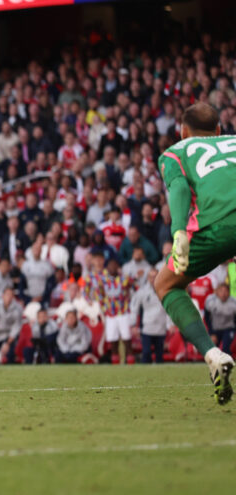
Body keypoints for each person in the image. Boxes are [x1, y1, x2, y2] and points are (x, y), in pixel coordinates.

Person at [154, 103, 235, 405]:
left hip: (214, 226)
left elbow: (178, 188)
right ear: (218, 130)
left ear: (183, 131)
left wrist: (178, 232)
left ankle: (212, 354)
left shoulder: (177, 150)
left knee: (165, 284)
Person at [85, 251, 134, 364]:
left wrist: (129, 301)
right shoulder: (103, 281)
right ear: (107, 267)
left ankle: (130, 360)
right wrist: (102, 306)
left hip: (123, 312)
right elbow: (99, 294)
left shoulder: (124, 279)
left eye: (114, 265)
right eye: (110, 265)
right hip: (110, 314)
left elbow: (135, 286)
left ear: (118, 266)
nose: (112, 267)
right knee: (113, 339)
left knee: (126, 337)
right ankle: (115, 360)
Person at [130, 268, 168, 364]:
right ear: (148, 278)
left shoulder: (165, 290)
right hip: (147, 327)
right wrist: (133, 324)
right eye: (151, 277)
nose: (153, 279)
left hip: (161, 326)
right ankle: (144, 375)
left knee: (159, 355)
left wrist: (170, 324)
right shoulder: (142, 292)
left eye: (155, 277)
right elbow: (134, 308)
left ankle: (161, 376)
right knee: (146, 353)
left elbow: (169, 309)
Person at [205, 284, 236, 354]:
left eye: (226, 291)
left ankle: (228, 362)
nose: (223, 293)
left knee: (226, 347)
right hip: (215, 329)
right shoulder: (211, 301)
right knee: (213, 350)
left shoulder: (233, 302)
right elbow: (207, 318)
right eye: (221, 291)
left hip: (228, 328)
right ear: (217, 292)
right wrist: (211, 333)